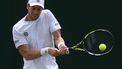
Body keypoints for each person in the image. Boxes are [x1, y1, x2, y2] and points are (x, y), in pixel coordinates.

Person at [12, 0, 69, 69]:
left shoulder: (47, 15)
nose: (36, 12)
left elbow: (57, 37)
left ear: (42, 9)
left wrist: (61, 45)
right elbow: (27, 55)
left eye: (39, 9)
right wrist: (47, 50)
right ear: (28, 6)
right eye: (33, 8)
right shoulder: (17, 28)